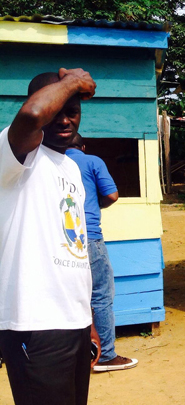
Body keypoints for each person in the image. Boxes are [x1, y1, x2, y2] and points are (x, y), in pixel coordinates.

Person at [0, 68, 99, 405]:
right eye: (58, 109)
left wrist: (88, 324)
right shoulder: (16, 152)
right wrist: (73, 82)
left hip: (72, 324)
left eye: (73, 110)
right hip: (34, 323)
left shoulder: (71, 168)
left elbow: (74, 249)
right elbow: (30, 116)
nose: (66, 118)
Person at [66, 134, 138, 372]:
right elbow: (112, 195)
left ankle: (69, 358)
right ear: (83, 147)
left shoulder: (50, 164)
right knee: (101, 296)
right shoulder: (92, 161)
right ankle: (105, 355)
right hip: (89, 238)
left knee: (67, 297)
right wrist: (97, 205)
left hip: (60, 241)